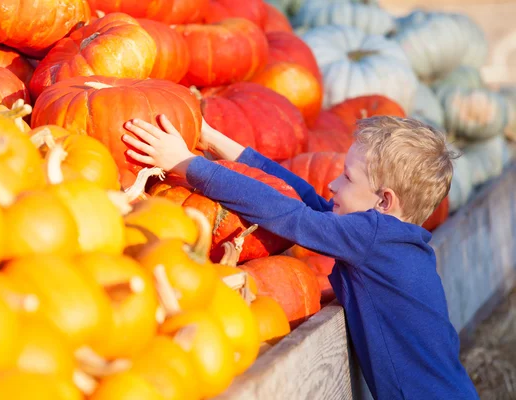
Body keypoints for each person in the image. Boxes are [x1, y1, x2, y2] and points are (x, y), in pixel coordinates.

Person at [122, 114, 479, 400]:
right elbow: (301, 195)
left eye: (347, 177)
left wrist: (189, 165)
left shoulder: (372, 238)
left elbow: (287, 214)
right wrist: (217, 141)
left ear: (384, 202)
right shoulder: (389, 240)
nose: (333, 185)